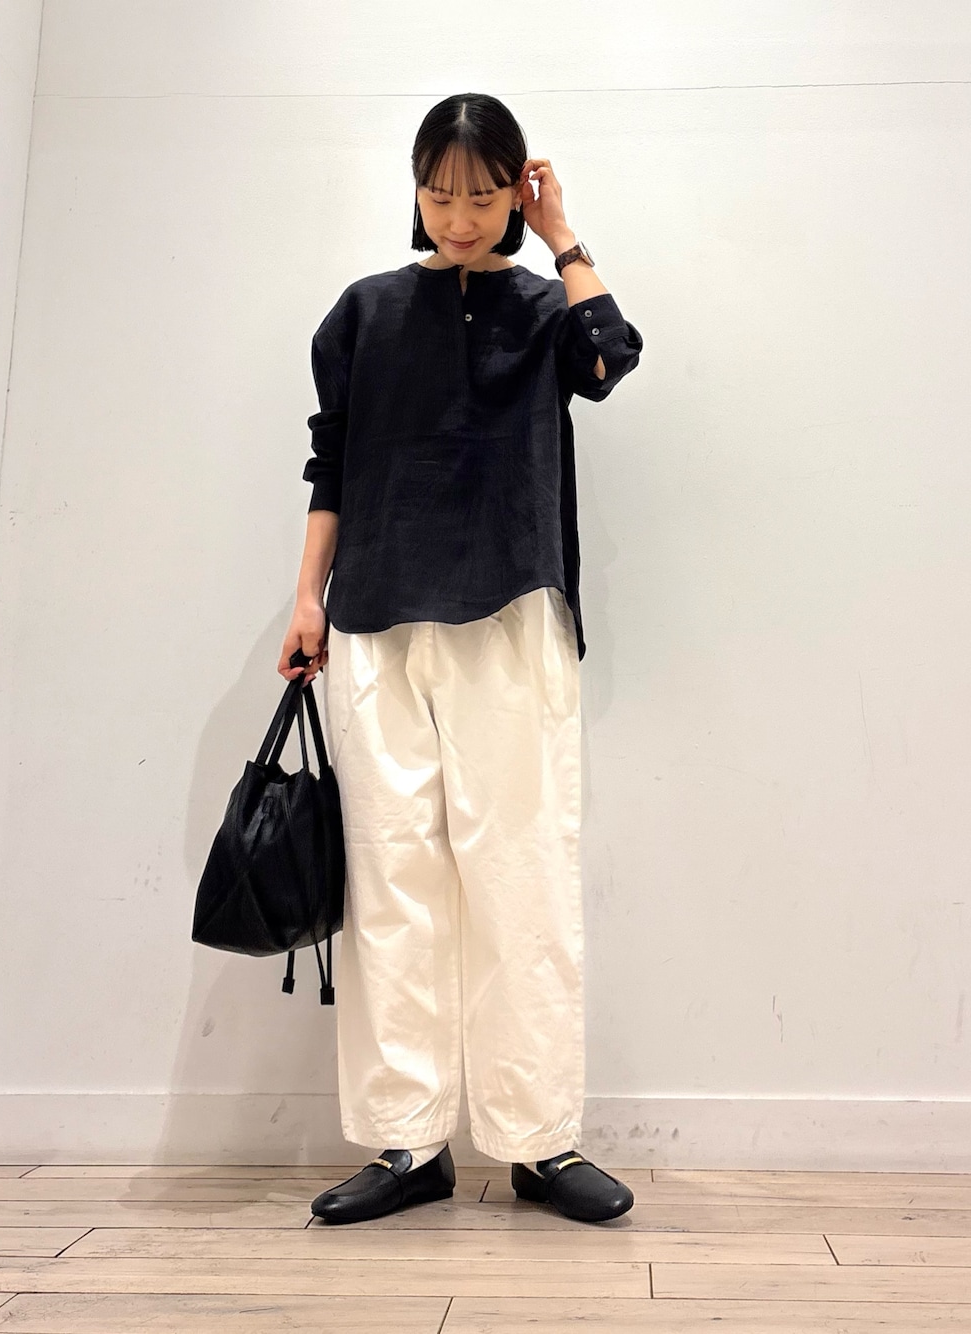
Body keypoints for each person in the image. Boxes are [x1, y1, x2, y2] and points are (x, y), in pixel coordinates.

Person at [278, 93, 643, 1225]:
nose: (460, 216)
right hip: (375, 617)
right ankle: (409, 1142)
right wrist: (306, 598)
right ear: (415, 190)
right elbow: (330, 462)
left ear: (515, 194)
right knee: (392, 878)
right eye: (440, 194)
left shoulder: (544, 309)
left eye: (484, 196)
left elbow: (611, 358)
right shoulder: (364, 312)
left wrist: (563, 233)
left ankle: (540, 1142)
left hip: (510, 613)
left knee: (520, 872)